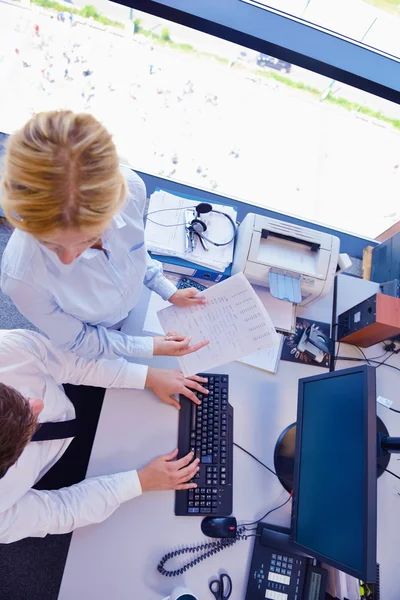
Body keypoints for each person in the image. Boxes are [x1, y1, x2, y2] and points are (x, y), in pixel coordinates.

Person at [1, 111, 208, 376]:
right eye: (49, 243)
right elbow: (79, 340)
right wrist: (148, 347)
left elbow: (136, 252)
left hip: (130, 315)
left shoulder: (132, 189)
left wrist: (166, 289)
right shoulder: (21, 280)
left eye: (87, 240)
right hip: (97, 336)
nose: (66, 261)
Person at [0, 329, 206, 543]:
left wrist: (147, 377)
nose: (38, 404)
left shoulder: (6, 349)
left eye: (21, 397)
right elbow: (58, 511)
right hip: (54, 470)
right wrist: (141, 482)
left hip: (74, 396)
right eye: (30, 420)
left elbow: (75, 365)